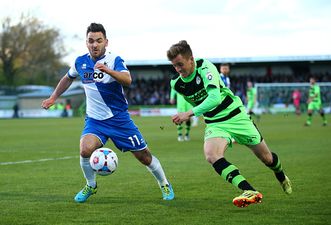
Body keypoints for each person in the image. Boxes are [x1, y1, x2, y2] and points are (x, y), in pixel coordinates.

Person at [41, 23, 174, 203]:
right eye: (90, 41)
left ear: (106, 42)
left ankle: (164, 184)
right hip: (95, 121)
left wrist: (108, 71)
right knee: (85, 149)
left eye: (98, 41)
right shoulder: (80, 62)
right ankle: (91, 185)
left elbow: (127, 80)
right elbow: (68, 78)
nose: (94, 44)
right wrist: (53, 97)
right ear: (86, 43)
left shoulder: (114, 60)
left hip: (119, 119)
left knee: (144, 157)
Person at [167, 40, 292, 208]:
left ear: (191, 59)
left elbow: (214, 98)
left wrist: (188, 113)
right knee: (211, 155)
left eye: (180, 64)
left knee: (267, 158)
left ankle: (281, 175)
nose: (178, 69)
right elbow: (200, 102)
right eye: (174, 66)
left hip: (236, 116)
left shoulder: (205, 68)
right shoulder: (176, 84)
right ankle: (249, 190)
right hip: (215, 123)